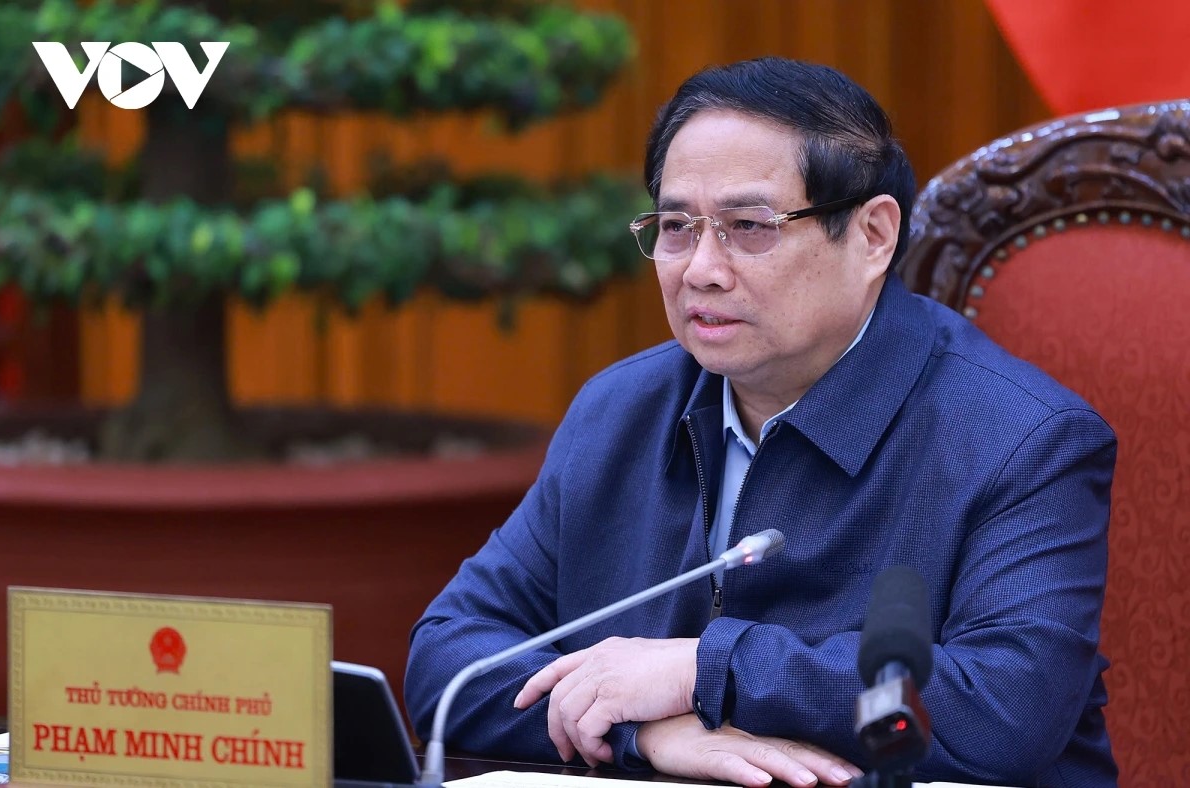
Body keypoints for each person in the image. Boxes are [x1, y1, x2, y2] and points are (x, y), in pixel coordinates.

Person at [405, 57, 1116, 788]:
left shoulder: (1022, 439)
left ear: (872, 235)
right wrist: (644, 734)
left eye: (748, 226)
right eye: (676, 227)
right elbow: (449, 662)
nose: (700, 270)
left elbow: (1005, 711)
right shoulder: (618, 409)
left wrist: (705, 671)